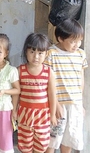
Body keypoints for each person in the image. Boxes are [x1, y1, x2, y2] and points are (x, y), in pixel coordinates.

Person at [44, 19, 87, 153]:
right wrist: (55, 104)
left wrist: (80, 104)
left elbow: (81, 78)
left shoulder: (80, 54)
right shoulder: (51, 53)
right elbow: (46, 81)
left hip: (75, 104)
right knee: (52, 139)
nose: (77, 45)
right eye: (73, 41)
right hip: (57, 104)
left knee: (69, 138)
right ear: (61, 38)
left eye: (79, 40)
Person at [16, 33, 57, 153]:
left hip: (43, 116)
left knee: (41, 145)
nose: (36, 57)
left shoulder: (49, 72)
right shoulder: (20, 71)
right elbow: (17, 94)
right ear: (26, 52)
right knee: (25, 145)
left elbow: (52, 95)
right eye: (32, 52)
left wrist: (53, 114)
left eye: (40, 53)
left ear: (46, 54)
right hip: (24, 114)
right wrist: (14, 111)